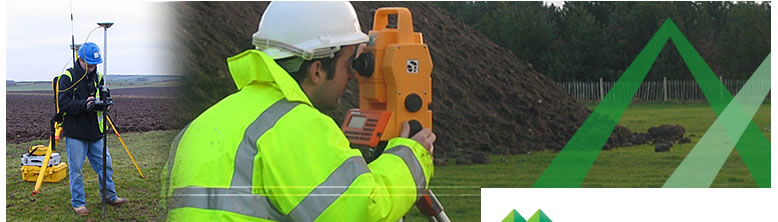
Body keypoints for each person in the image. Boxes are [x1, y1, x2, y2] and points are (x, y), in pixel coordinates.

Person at [164, 2, 436, 221]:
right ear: (317, 70)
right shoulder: (296, 126)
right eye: (348, 64)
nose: (352, 76)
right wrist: (409, 157)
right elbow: (363, 211)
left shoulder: (205, 123)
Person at [57, 42, 128, 216]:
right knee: (77, 171)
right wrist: (84, 104)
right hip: (76, 132)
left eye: (95, 64)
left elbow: (104, 95)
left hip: (96, 132)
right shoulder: (67, 77)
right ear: (80, 59)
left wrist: (106, 103)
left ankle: (110, 196)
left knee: (106, 166)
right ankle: (79, 203)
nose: (92, 67)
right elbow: (63, 103)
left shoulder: (98, 77)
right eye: (89, 64)